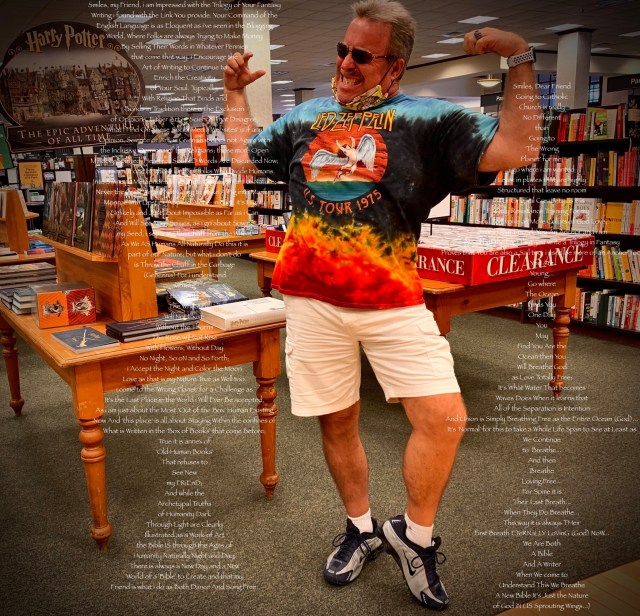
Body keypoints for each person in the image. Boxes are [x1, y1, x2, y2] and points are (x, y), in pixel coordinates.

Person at [223, 0, 540, 609]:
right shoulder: (307, 116)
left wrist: (519, 56)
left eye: (362, 56)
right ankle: (361, 528)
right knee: (337, 421)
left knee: (444, 419)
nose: (346, 63)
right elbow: (245, 158)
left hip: (392, 299)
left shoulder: (428, 119)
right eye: (343, 50)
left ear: (394, 68)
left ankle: (413, 538)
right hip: (310, 299)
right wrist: (234, 94)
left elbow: (519, 147)